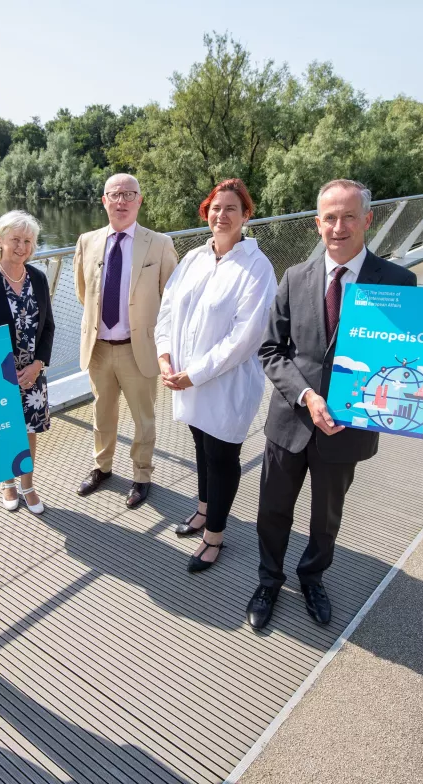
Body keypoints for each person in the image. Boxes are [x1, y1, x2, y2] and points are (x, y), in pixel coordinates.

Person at [246, 179, 423, 630]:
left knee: (326, 519)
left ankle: (311, 578)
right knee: (271, 510)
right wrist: (306, 395)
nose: (338, 227)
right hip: (291, 421)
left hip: (349, 429)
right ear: (316, 222)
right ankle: (269, 579)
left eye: (348, 217)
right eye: (329, 218)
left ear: (367, 219)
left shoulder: (400, 282)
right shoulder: (295, 277)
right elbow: (271, 350)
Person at [155, 179, 277, 572]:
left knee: (222, 455)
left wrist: (195, 374)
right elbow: (168, 308)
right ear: (206, 212)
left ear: (246, 215)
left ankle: (215, 537)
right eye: (215, 208)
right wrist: (165, 356)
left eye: (231, 209)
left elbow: (245, 337)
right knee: (200, 445)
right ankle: (204, 510)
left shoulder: (257, 267)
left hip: (227, 385)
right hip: (184, 378)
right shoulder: (193, 258)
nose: (221, 216)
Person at [73, 173, 179, 509]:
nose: (121, 201)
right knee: (102, 414)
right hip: (100, 349)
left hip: (139, 350)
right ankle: (102, 467)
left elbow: (172, 298)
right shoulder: (86, 242)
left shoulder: (159, 244)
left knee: (143, 418)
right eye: (114, 194)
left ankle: (142, 475)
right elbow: (82, 292)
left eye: (128, 194)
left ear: (139, 200)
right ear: (104, 201)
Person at [0, 210, 55, 515]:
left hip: (33, 375)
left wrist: (37, 366)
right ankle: (8, 483)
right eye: (16, 239)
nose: (22, 246)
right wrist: (8, 373)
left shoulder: (39, 277)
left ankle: (28, 485)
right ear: (0, 240)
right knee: (6, 430)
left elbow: (48, 327)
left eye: (28, 241)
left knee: (29, 432)